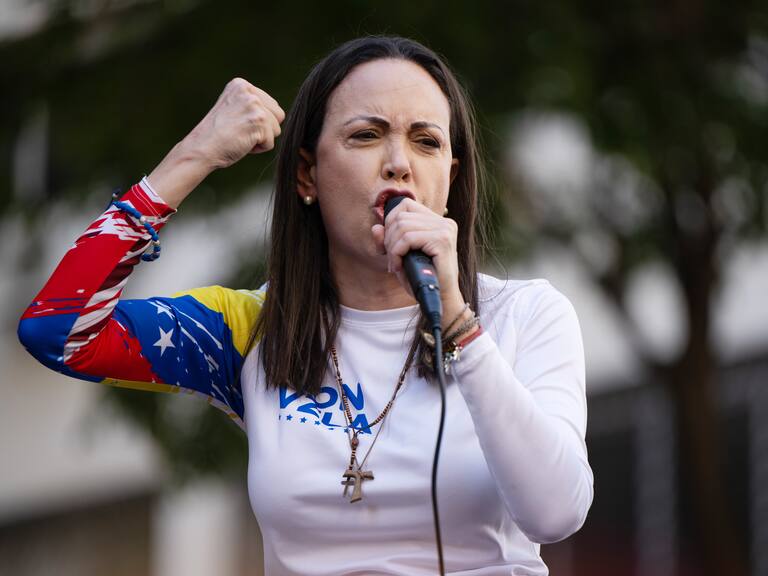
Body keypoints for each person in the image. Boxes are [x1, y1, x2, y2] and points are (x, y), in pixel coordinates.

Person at [18, 36, 593, 575]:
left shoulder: (524, 315)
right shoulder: (255, 328)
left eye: (427, 141)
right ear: (306, 174)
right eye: (366, 136)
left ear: (451, 175)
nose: (399, 163)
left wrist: (460, 324)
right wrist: (192, 157)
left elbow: (556, 514)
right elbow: (57, 329)